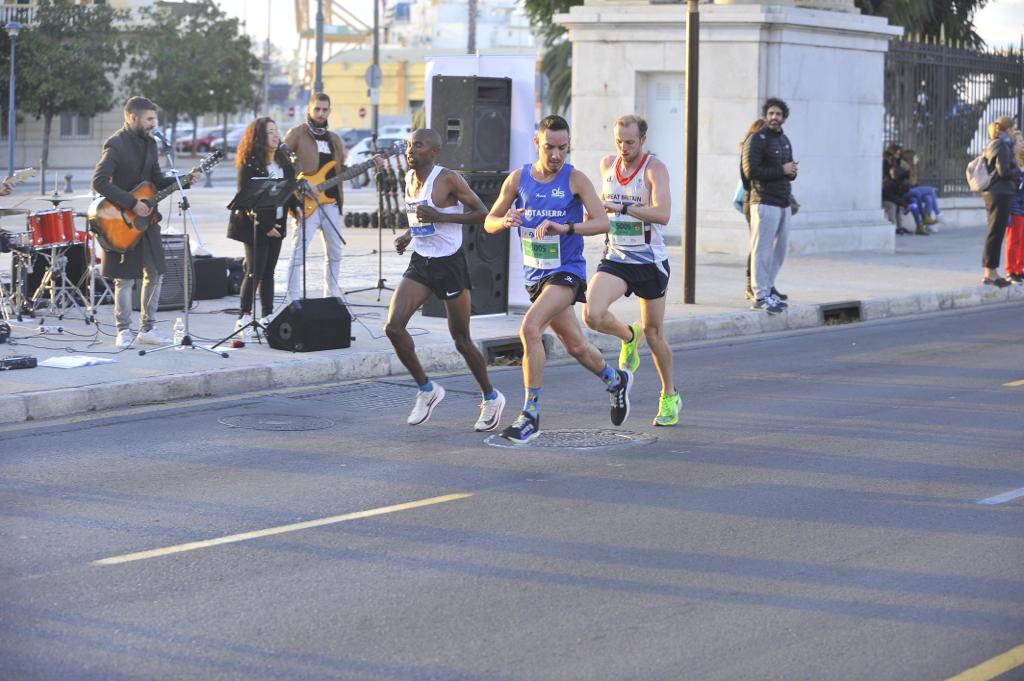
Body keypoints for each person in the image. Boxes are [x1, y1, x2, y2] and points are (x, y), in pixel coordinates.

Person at [484, 114, 621, 445]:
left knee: (530, 329)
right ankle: (615, 379)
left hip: (567, 272)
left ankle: (530, 414)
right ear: (537, 144)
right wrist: (505, 221)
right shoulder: (518, 179)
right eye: (550, 148)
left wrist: (567, 227)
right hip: (537, 276)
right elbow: (488, 220)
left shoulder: (576, 180)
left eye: (563, 148)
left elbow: (603, 222)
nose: (557, 155)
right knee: (576, 345)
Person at [386, 129, 506, 430]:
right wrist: (406, 235)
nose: (411, 150)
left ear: (434, 152)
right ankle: (427, 390)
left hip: (450, 264)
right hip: (421, 263)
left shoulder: (448, 178)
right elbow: (419, 220)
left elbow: (482, 213)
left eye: (418, 145)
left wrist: (441, 216)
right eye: (409, 145)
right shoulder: (408, 180)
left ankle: (491, 398)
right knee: (393, 327)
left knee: (461, 340)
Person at [582, 114, 680, 427]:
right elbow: (599, 206)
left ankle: (669, 395)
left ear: (643, 140)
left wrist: (622, 208)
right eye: (619, 141)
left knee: (654, 335)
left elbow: (662, 213)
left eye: (630, 141)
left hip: (649, 261)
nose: (624, 147)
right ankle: (628, 334)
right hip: (616, 257)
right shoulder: (607, 164)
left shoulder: (654, 168)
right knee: (592, 315)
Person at [92, 96, 198, 349]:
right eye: (149, 119)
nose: (154, 124)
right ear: (132, 118)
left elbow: (156, 181)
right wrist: (131, 202)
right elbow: (99, 181)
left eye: (155, 119)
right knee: (125, 278)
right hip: (121, 222)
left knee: (156, 272)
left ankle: (147, 328)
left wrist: (186, 178)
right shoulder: (116, 144)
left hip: (148, 220)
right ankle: (123, 331)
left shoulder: (151, 144)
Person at [227, 117, 295, 337]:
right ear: (259, 137)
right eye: (270, 132)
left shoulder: (283, 160)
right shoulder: (250, 163)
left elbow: (288, 189)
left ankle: (267, 315)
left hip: (278, 222)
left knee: (269, 272)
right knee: (254, 271)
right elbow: (247, 198)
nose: (276, 135)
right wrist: (265, 225)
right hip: (255, 225)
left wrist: (297, 207)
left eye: (277, 131)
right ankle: (244, 316)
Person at [283, 93, 347, 301]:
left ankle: (331, 296)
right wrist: (300, 183)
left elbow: (340, 169)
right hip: (305, 202)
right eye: (317, 109)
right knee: (299, 252)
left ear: (329, 111)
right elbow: (281, 162)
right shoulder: (297, 134)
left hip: (330, 203)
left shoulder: (334, 139)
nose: (320, 113)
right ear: (309, 109)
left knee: (335, 253)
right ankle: (293, 298)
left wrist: (370, 164)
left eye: (324, 109)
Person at [741, 97, 797, 315]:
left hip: (783, 202)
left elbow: (787, 170)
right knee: (761, 251)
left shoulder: (784, 140)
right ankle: (760, 295)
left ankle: (769, 289)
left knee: (780, 250)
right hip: (763, 201)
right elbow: (750, 171)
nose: (775, 117)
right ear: (766, 115)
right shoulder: (757, 139)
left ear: (784, 118)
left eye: (779, 114)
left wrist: (791, 173)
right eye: (771, 113)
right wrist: (782, 170)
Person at [981, 116, 1022, 288]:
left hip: (996, 193)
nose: (1014, 132)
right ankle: (990, 273)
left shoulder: (996, 143)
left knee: (995, 234)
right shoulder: (1001, 144)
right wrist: (1018, 171)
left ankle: (991, 272)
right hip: (1000, 193)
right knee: (995, 234)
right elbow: (1004, 171)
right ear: (1008, 129)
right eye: (1012, 129)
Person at [1003, 129, 1024, 285]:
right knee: (1013, 238)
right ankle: (1010, 271)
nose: (1023, 144)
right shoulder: (1011, 161)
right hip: (1015, 203)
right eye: (1020, 141)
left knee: (1022, 239)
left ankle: (1019, 269)